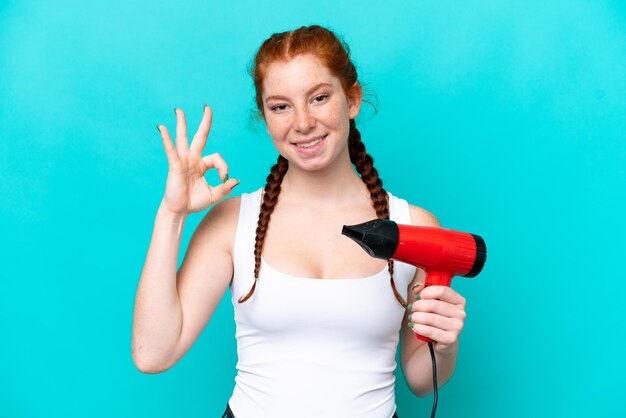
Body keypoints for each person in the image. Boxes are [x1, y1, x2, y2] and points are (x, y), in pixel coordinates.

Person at [131, 25, 468, 418]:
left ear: (353, 99)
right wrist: (171, 215)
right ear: (265, 116)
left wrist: (443, 346)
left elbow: (420, 378)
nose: (303, 122)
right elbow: (153, 354)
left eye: (320, 97)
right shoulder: (232, 222)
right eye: (280, 106)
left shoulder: (415, 227)